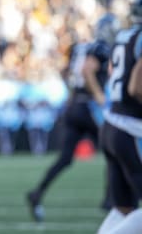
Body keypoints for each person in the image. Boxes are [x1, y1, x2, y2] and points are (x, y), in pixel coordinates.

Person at [26, 13, 119, 222]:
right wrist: (99, 96)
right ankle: (109, 201)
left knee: (65, 158)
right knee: (113, 150)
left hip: (74, 106)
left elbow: (69, 72)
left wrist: (71, 96)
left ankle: (38, 192)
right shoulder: (100, 49)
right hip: (88, 108)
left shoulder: (80, 48)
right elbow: (87, 70)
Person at [97, 0, 142, 234]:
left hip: (112, 125)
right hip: (131, 129)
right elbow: (137, 86)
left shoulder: (125, 35)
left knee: (123, 207)